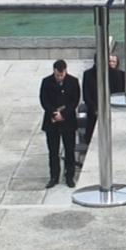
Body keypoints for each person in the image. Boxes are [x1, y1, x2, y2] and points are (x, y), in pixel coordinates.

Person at [39, 59, 80, 188]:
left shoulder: (73, 82)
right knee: (53, 151)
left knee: (69, 150)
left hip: (68, 121)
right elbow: (44, 99)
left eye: (61, 75)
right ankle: (54, 176)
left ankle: (69, 176)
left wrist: (64, 113)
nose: (59, 77)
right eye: (57, 75)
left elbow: (75, 100)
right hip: (52, 122)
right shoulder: (46, 82)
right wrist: (53, 113)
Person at [81, 54, 125, 145]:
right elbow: (86, 95)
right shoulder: (88, 74)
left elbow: (118, 93)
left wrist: (109, 108)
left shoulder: (116, 74)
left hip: (112, 111)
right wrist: (96, 109)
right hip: (94, 113)